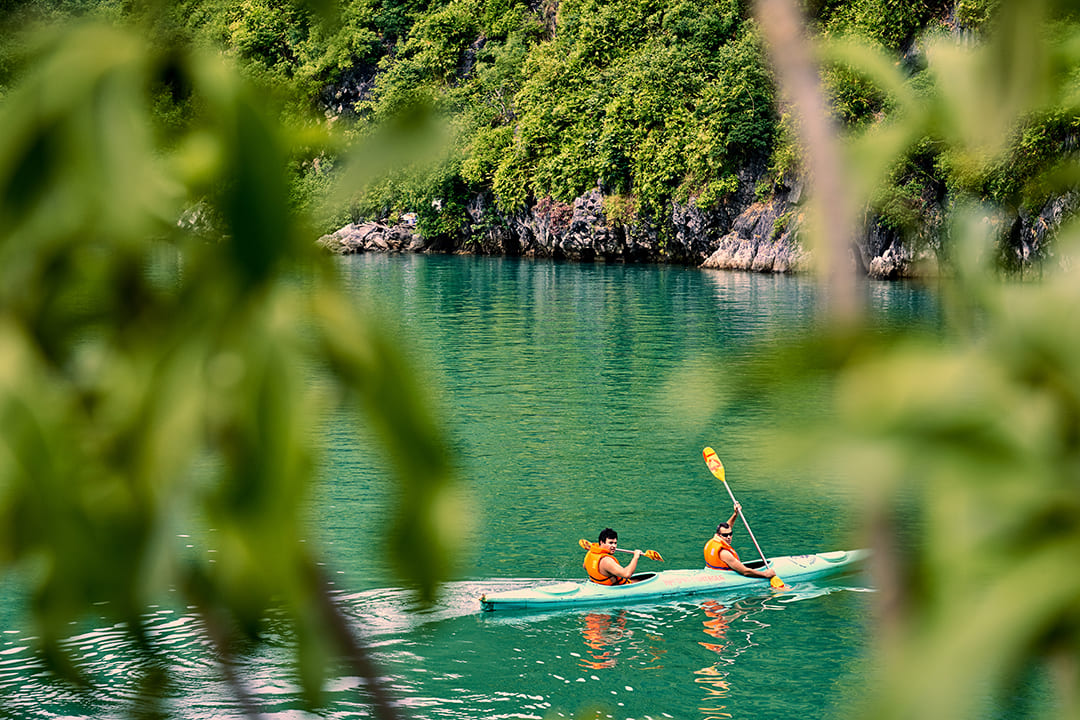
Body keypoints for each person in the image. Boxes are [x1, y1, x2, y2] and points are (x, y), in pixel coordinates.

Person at [703, 502, 776, 579]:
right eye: (725, 535)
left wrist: (735, 514)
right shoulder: (724, 553)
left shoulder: (715, 540)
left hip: (712, 571)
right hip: (726, 577)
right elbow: (745, 572)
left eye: (730, 534)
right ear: (719, 535)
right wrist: (765, 574)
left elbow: (728, 527)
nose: (729, 537)